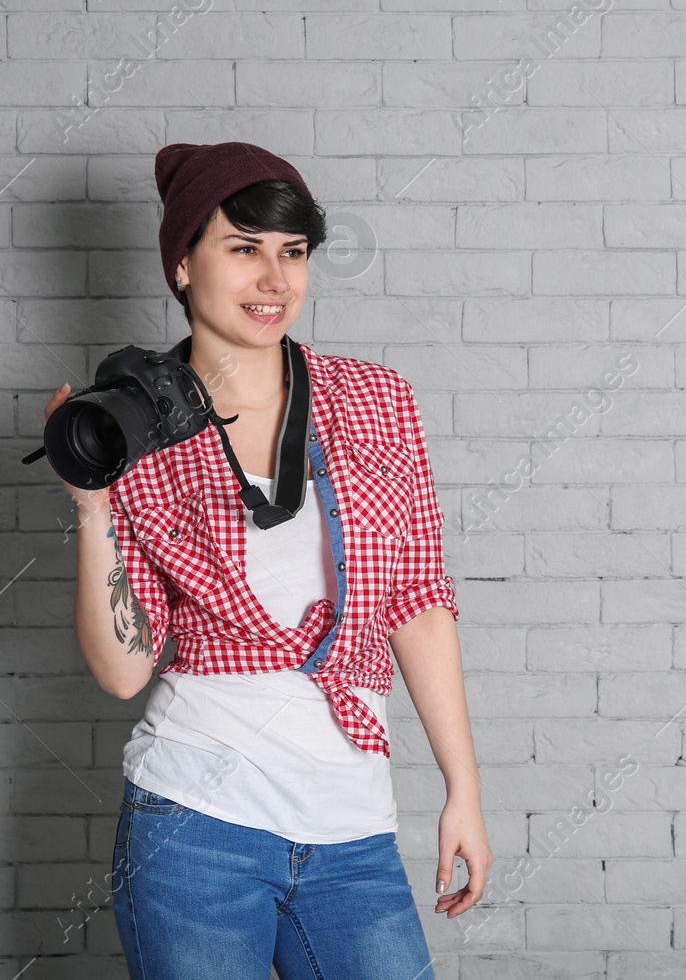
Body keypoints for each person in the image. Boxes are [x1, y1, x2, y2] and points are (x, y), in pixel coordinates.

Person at [41, 141, 491, 979]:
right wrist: (94, 504)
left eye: (292, 254)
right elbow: (123, 670)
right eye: (243, 249)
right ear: (182, 263)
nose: (275, 281)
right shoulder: (134, 428)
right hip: (193, 826)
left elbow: (419, 601)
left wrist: (462, 786)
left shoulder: (375, 399)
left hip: (352, 828)